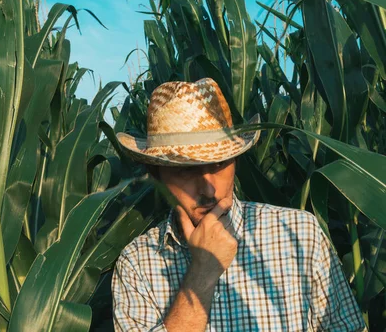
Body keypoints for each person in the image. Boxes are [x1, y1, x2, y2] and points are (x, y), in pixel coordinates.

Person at [112, 78, 366, 331]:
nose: (209, 189)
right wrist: (201, 274)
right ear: (156, 175)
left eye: (220, 164)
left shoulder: (300, 234)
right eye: (187, 171)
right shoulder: (137, 265)